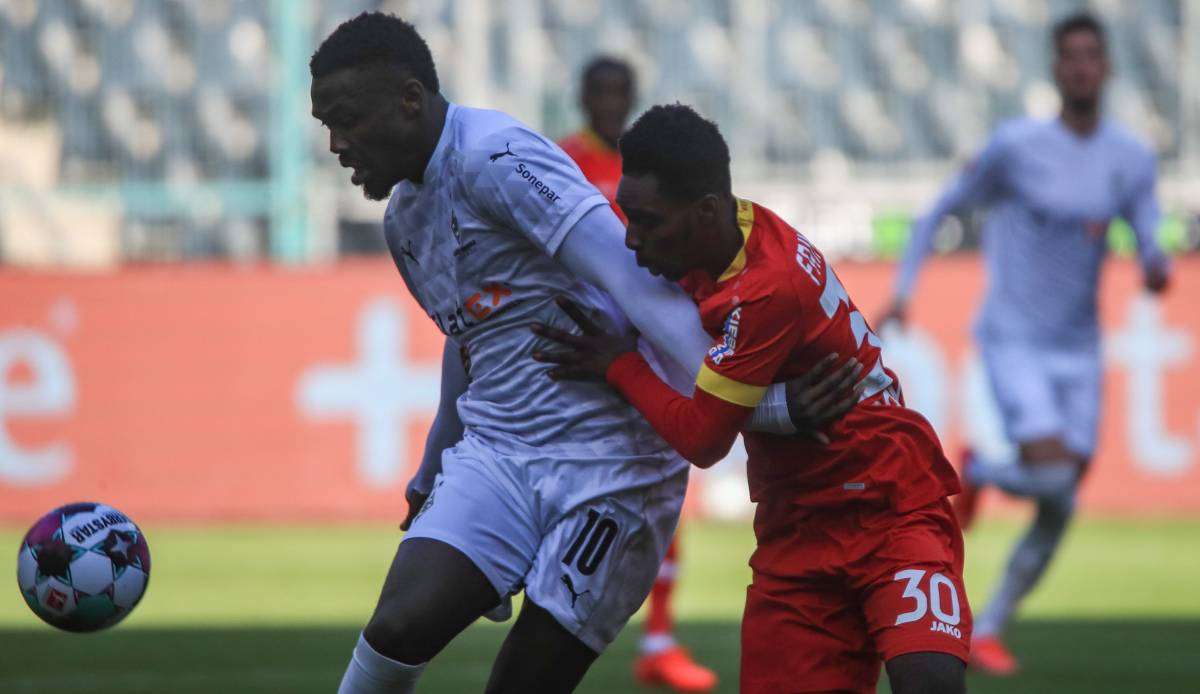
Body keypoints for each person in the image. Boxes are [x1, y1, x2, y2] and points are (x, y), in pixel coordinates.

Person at [310, 13, 819, 693]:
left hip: (614, 468)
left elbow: (633, 282)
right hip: (499, 456)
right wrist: (433, 465)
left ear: (408, 98)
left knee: (520, 685)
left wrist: (765, 407)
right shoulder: (405, 222)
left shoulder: (496, 156)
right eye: (325, 127)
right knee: (395, 631)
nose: (337, 144)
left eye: (347, 119)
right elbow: (469, 337)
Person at [533, 103, 970, 694]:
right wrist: (783, 409)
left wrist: (616, 365)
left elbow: (702, 438)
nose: (631, 241)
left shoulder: (766, 287)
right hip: (795, 532)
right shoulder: (711, 243)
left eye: (646, 222)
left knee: (930, 685)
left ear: (705, 211)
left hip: (887, 507)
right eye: (626, 219)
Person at [880, 12, 1171, 676]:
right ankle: (975, 472)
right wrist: (902, 290)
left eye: (1091, 56)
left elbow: (1149, 227)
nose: (1080, 67)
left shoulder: (1128, 157)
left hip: (1080, 348)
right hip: (1015, 339)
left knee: (1060, 500)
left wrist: (1156, 264)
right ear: (1055, 68)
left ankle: (988, 629)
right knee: (1050, 477)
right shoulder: (1016, 147)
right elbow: (937, 212)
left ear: (1108, 68)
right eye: (1069, 56)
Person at [558, 55, 716, 693]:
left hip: (651, 338)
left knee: (664, 484)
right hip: (588, 340)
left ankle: (657, 640)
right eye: (599, 91)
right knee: (572, 480)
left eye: (620, 92)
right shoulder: (562, 161)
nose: (609, 103)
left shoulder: (649, 166)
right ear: (582, 96)